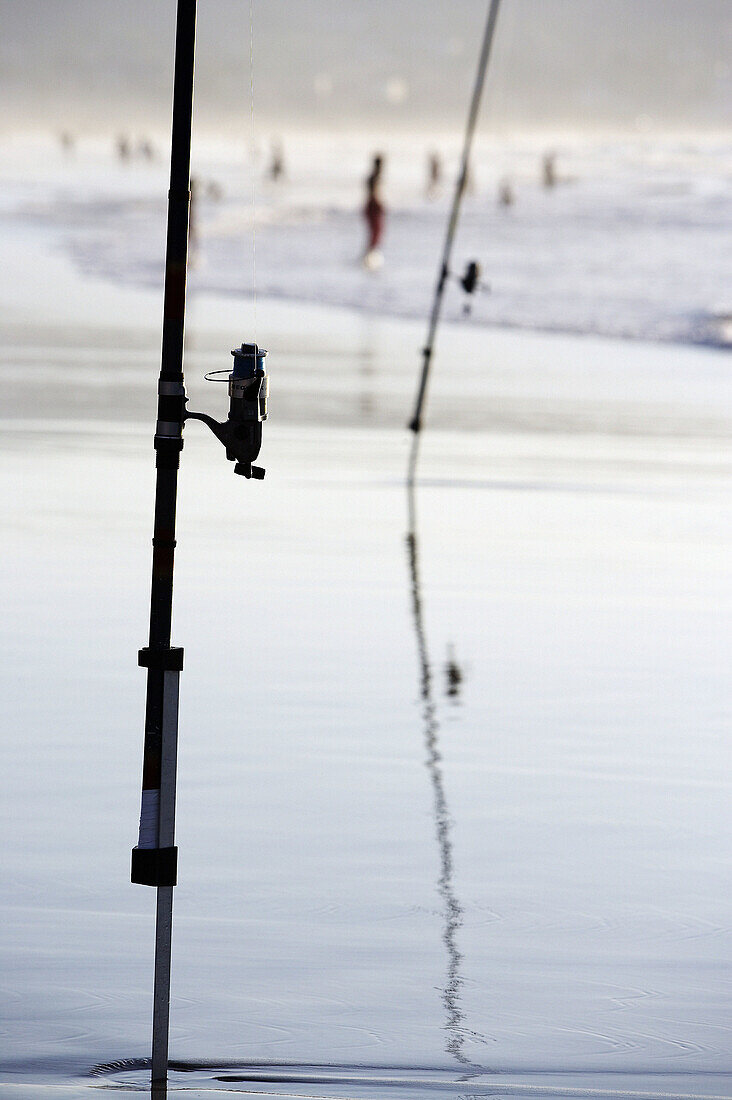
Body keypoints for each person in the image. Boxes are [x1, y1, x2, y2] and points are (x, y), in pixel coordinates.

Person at [363, 154, 385, 269]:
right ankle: (370, 254)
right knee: (376, 231)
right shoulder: (374, 177)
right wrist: (380, 205)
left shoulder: (373, 177)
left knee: (375, 231)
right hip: (373, 206)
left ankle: (370, 252)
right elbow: (374, 194)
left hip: (371, 206)